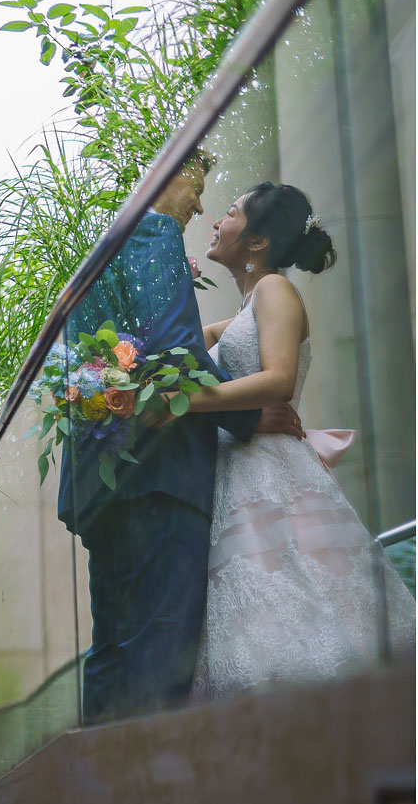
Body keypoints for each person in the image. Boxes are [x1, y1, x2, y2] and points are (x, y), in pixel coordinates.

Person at [142, 181, 416, 698]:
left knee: (299, 602)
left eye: (229, 212)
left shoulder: (274, 289)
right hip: (237, 471)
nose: (216, 221)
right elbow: (185, 347)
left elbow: (279, 380)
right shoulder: (240, 315)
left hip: (272, 471)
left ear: (259, 241)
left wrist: (186, 404)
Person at [57, 151, 273, 725]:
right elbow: (176, 356)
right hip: (158, 473)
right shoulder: (152, 233)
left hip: (104, 479)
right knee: (162, 646)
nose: (200, 204)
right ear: (165, 173)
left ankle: (96, 801)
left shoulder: (101, 248)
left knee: (111, 646)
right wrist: (255, 413)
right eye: (197, 186)